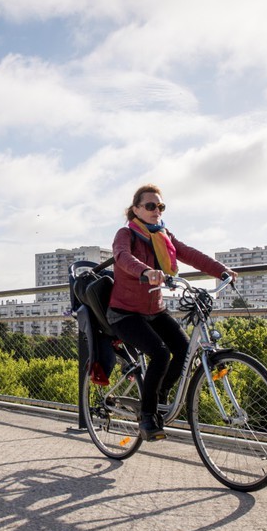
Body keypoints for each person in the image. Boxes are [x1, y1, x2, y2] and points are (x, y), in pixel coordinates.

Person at [107, 184, 236, 441]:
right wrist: (146, 271)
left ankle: (158, 396)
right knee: (160, 353)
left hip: (154, 310)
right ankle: (147, 416)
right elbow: (122, 257)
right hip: (125, 313)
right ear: (136, 210)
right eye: (150, 206)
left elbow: (188, 253)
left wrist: (221, 269)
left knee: (185, 351)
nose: (157, 211)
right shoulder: (126, 234)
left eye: (161, 206)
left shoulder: (164, 235)